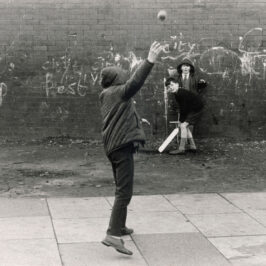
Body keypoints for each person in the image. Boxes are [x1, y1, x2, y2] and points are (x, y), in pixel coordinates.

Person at [99, 41, 163, 255]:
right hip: (121, 147)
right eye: (121, 75)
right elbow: (136, 82)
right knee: (124, 192)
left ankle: (120, 226)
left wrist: (134, 120)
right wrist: (150, 60)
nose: (124, 77)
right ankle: (112, 235)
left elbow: (120, 114)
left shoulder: (108, 94)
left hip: (113, 146)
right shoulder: (118, 91)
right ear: (116, 79)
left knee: (121, 188)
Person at [165, 77, 204, 155]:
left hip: (197, 109)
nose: (171, 88)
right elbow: (184, 107)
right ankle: (193, 147)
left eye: (172, 85)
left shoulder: (181, 93)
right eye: (168, 87)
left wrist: (181, 121)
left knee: (183, 125)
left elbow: (184, 108)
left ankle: (181, 149)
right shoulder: (177, 94)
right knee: (185, 126)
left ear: (177, 84)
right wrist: (182, 120)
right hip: (193, 109)